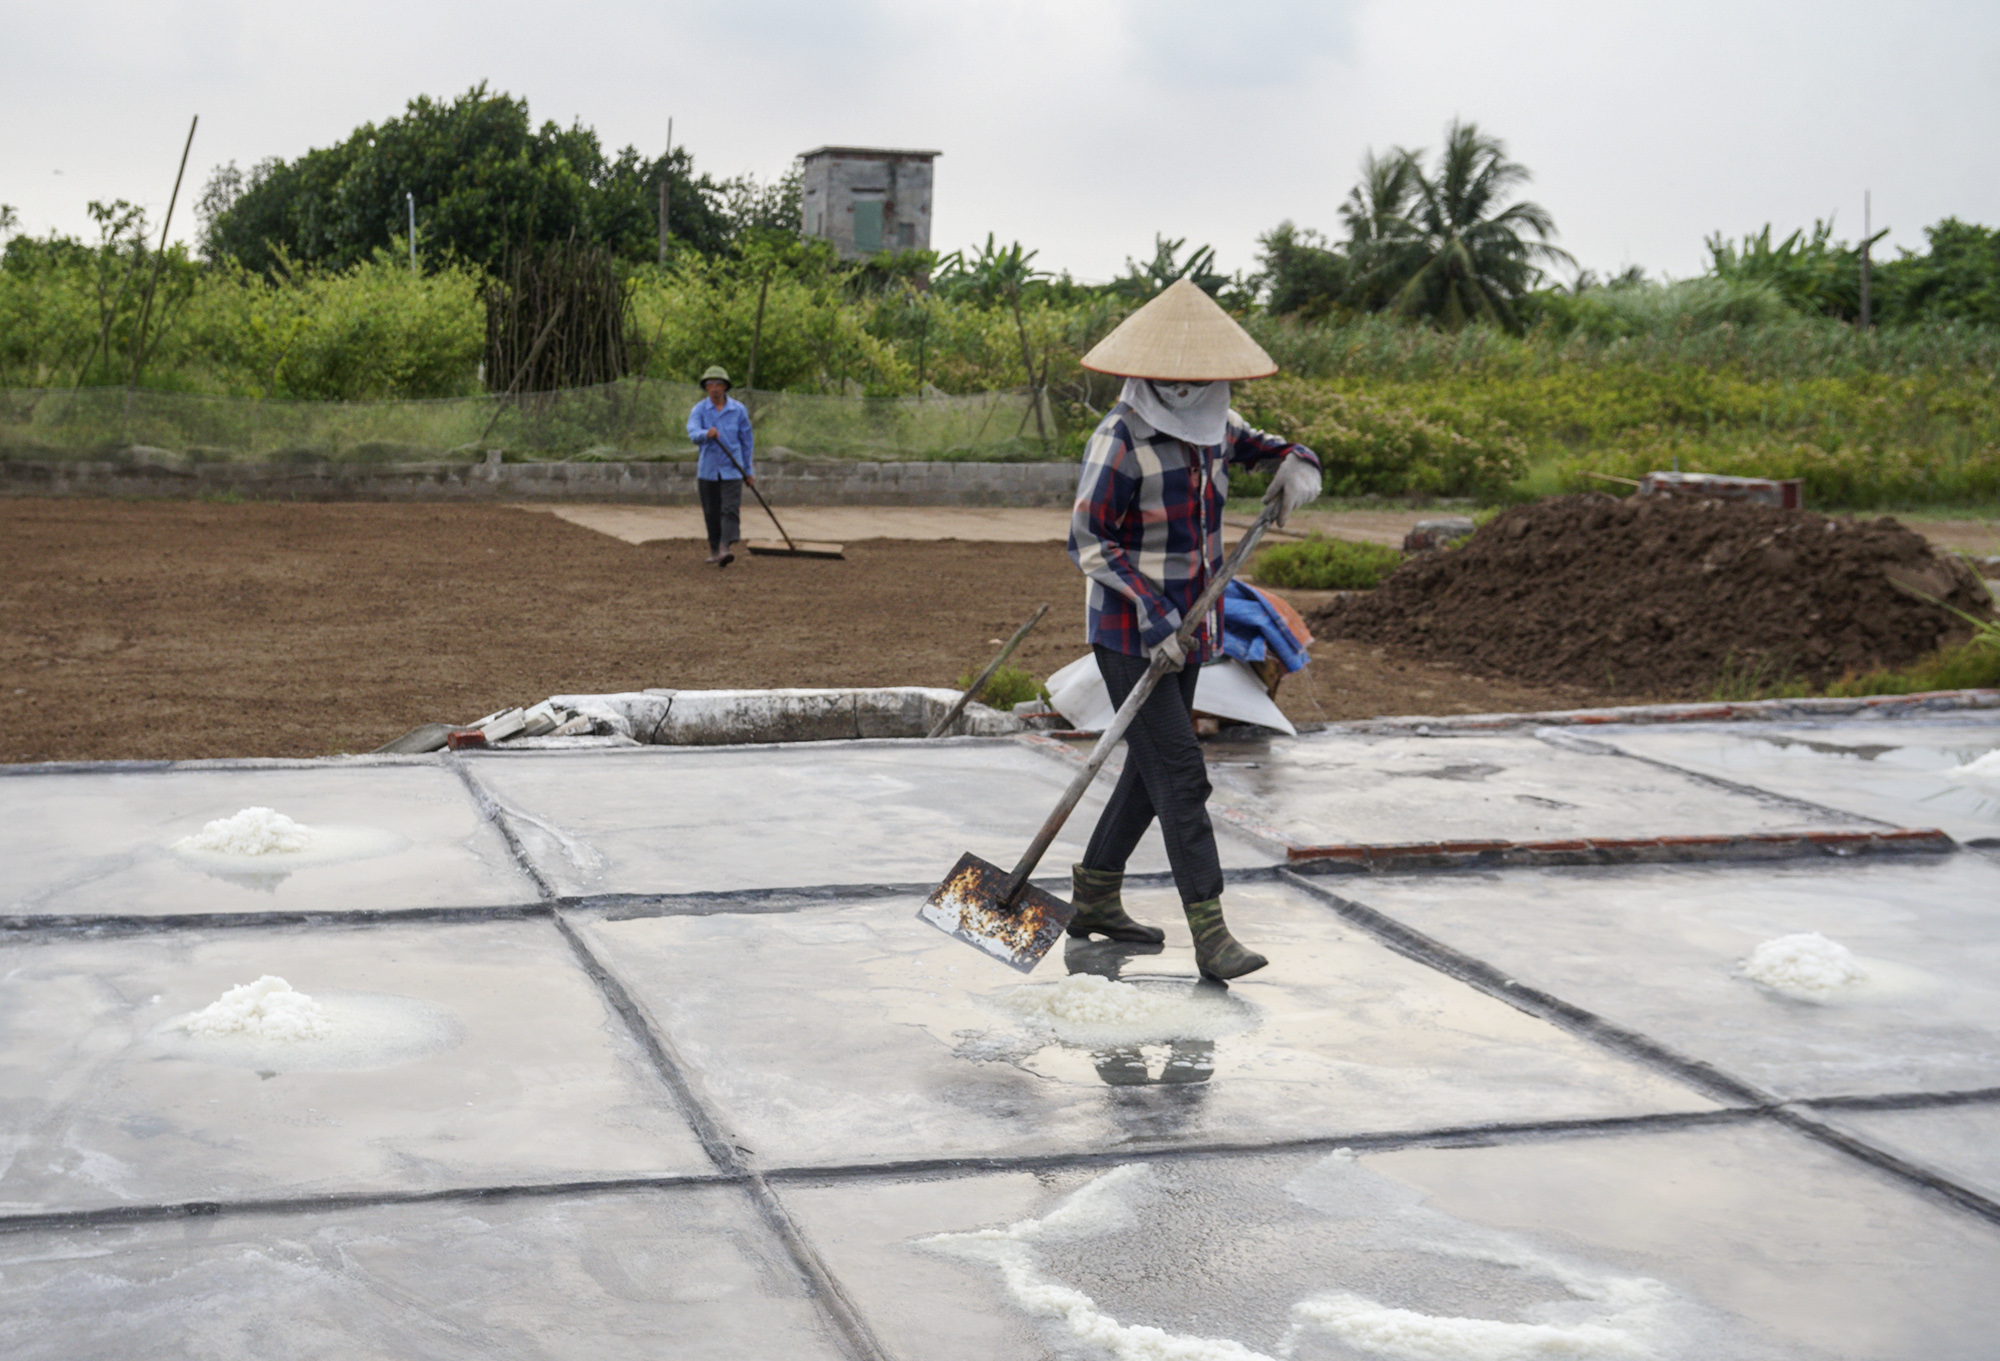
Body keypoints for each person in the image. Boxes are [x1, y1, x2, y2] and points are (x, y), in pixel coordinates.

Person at [1064, 280, 1323, 981]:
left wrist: (1297, 464)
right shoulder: (1120, 438)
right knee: (1180, 770)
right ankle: (1211, 932)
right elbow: (1088, 540)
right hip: (1130, 633)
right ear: (1154, 375)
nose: (1193, 387)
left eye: (1204, 377)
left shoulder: (1214, 425)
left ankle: (1093, 895)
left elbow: (1265, 447)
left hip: (1192, 630)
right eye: (1180, 378)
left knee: (1151, 775)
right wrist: (1154, 614)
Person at [687, 365, 754, 567]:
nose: (714, 387)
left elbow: (746, 442)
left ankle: (726, 547)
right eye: (710, 384)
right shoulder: (699, 410)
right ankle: (715, 549)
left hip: (733, 469)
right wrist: (705, 434)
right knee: (711, 511)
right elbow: (692, 432)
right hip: (708, 470)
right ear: (706, 388)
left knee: (730, 509)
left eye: (718, 383)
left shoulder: (738, 410)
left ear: (725, 386)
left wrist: (748, 472)